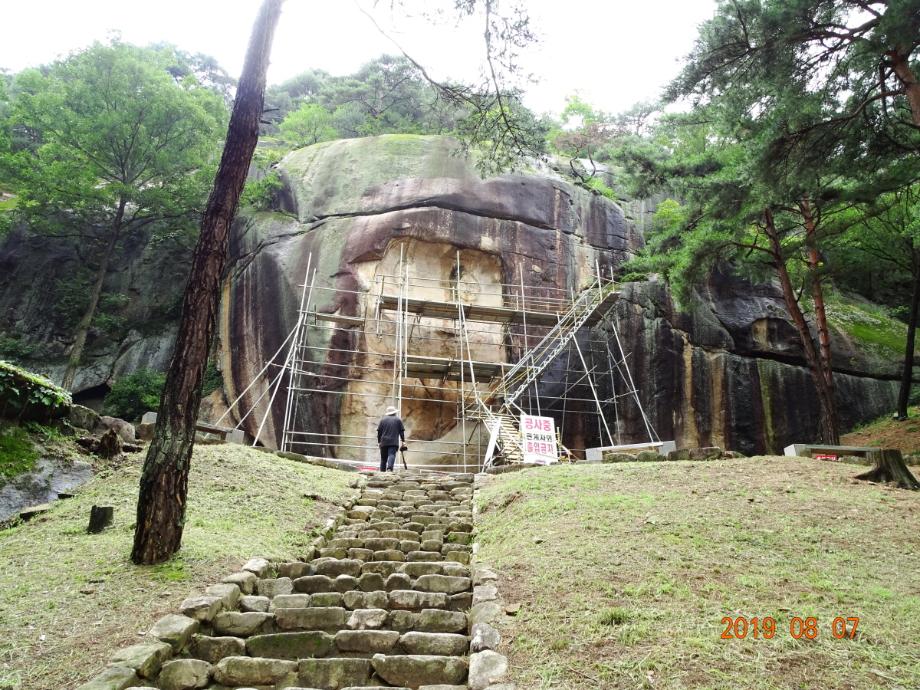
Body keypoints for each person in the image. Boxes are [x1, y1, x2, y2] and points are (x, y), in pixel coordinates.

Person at [377, 405, 406, 472]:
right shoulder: (398, 420)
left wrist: (379, 442)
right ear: (394, 412)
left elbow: (379, 433)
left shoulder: (383, 420)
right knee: (391, 454)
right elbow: (401, 432)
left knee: (383, 458)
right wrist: (403, 441)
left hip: (383, 442)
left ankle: (382, 472)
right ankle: (389, 468)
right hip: (393, 442)